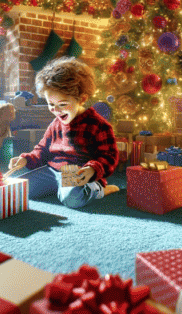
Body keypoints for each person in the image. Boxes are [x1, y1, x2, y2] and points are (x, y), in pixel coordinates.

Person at [8, 57, 120, 208]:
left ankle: (99, 190)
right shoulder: (55, 124)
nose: (56, 110)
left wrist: (93, 168)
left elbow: (109, 155)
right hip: (52, 171)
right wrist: (26, 159)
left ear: (82, 99)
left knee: (73, 199)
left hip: (77, 173)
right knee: (18, 188)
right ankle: (60, 188)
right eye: (51, 104)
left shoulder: (98, 125)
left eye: (62, 104)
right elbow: (41, 150)